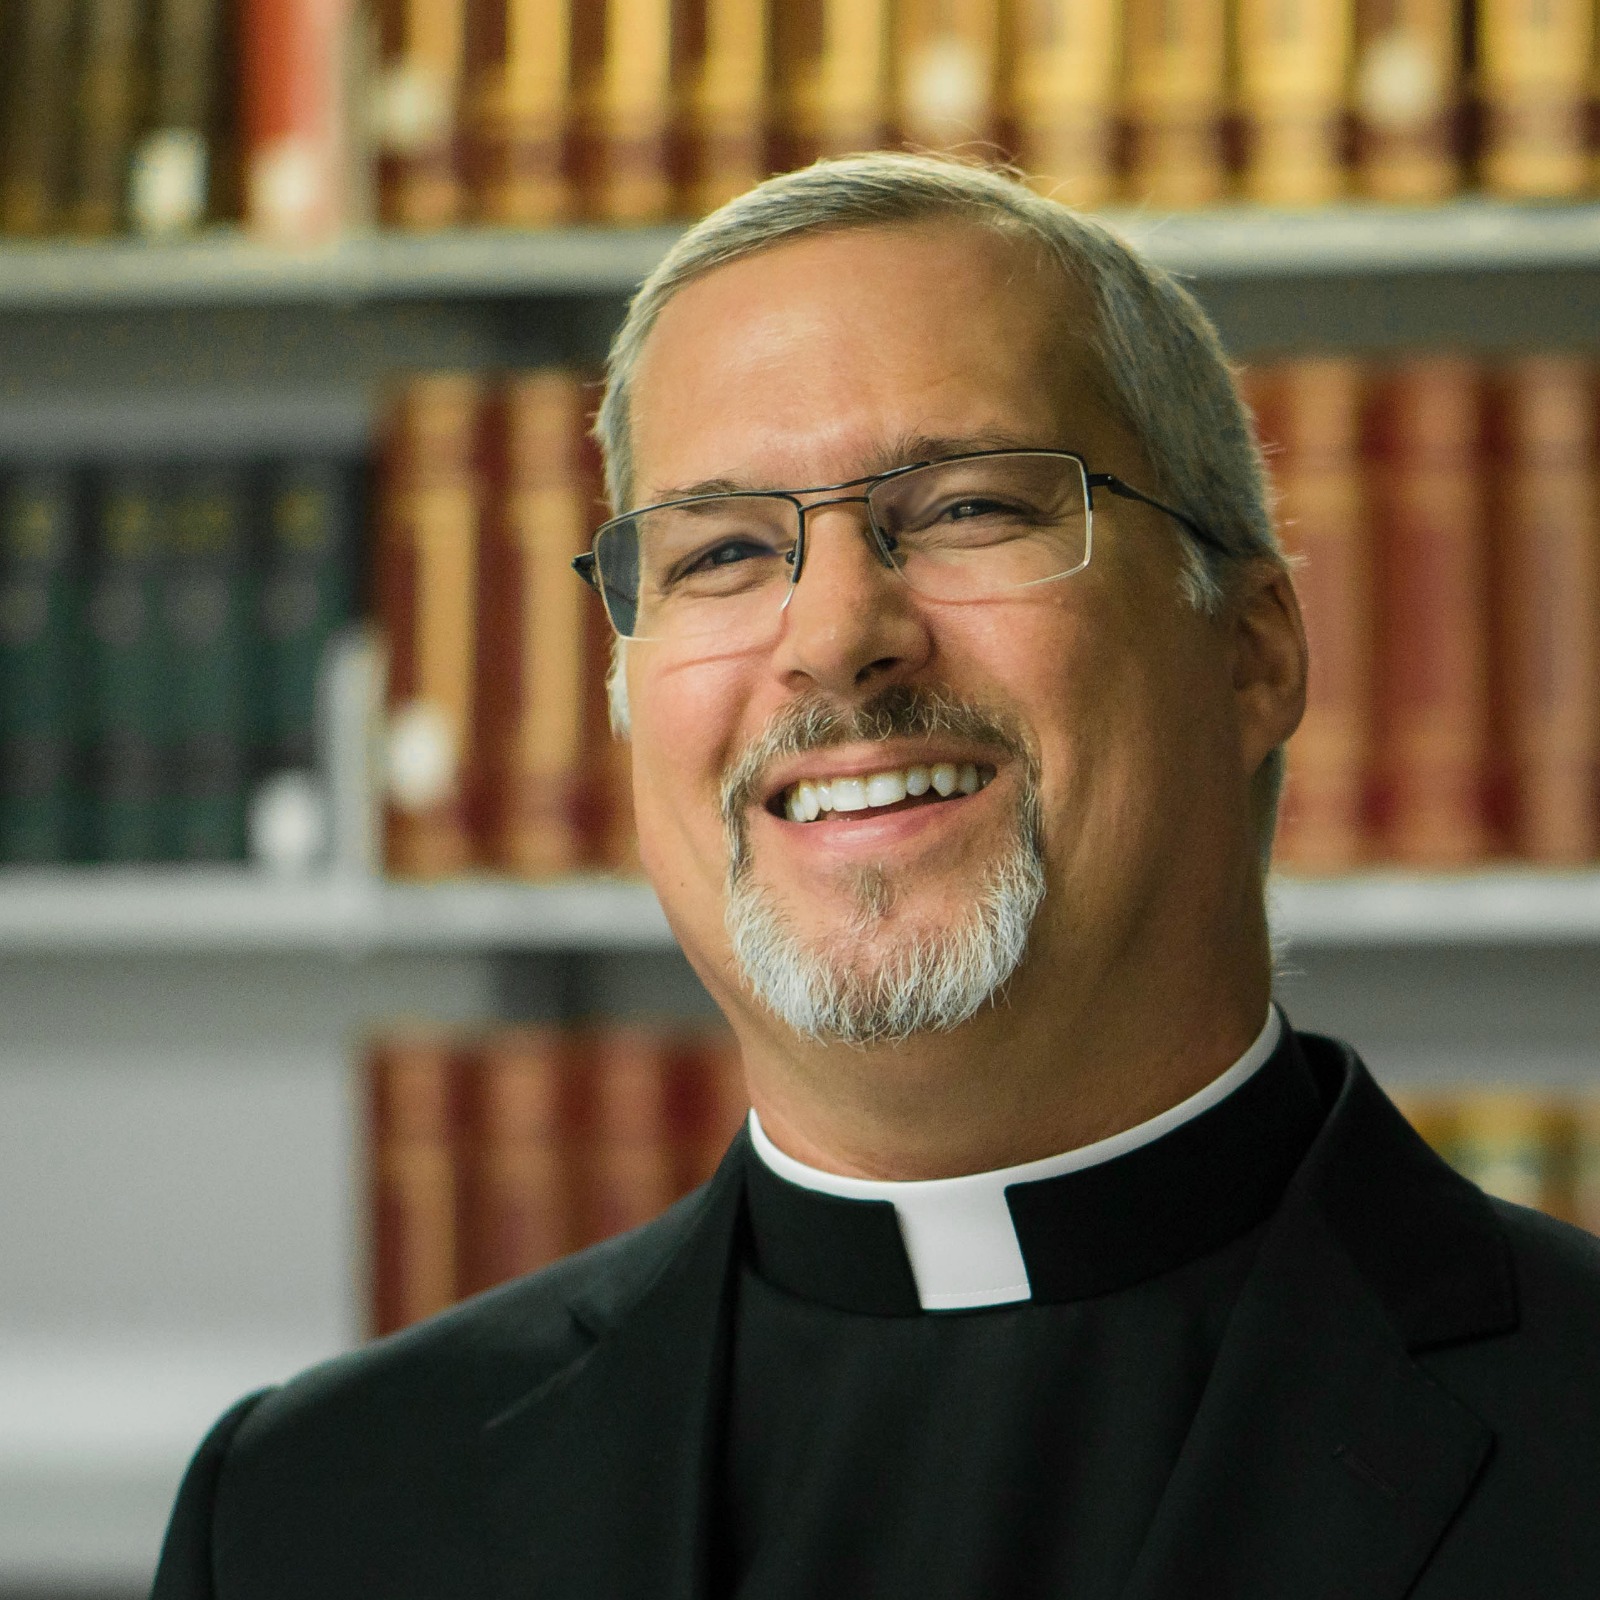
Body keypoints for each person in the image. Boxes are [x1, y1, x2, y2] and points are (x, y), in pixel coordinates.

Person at [152, 153, 1600, 1599]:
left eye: (970, 508)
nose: (836, 634)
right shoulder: (310, 1514)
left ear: (1254, 655)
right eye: (720, 550)